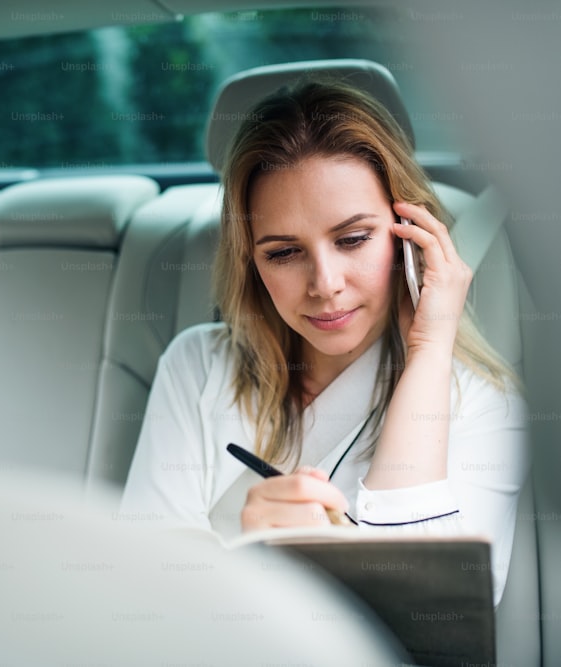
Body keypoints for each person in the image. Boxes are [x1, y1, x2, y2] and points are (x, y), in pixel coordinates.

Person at [120, 81, 528, 604]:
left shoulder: (483, 404)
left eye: (354, 239)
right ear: (251, 262)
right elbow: (142, 596)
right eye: (284, 252)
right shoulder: (197, 365)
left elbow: (430, 618)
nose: (325, 283)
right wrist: (250, 561)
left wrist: (427, 354)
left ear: (411, 237)